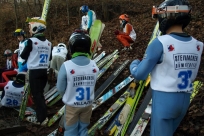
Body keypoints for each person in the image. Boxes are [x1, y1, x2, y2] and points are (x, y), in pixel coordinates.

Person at [129, 0, 203, 136]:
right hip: (185, 99)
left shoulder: (160, 43)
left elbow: (139, 74)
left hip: (165, 100)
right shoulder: (198, 45)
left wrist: (133, 64)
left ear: (165, 16)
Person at [57, 29, 99, 136]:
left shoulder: (66, 66)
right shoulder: (94, 65)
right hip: (87, 105)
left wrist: (67, 96)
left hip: (72, 105)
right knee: (83, 129)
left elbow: (60, 88)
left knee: (71, 130)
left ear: (72, 47)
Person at [20, 17, 52, 126]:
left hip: (34, 72)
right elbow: (50, 57)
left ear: (35, 28)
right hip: (44, 71)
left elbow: (23, 55)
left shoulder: (31, 41)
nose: (29, 30)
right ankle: (42, 115)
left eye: (29, 27)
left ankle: (41, 119)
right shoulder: (48, 43)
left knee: (37, 96)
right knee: (40, 94)